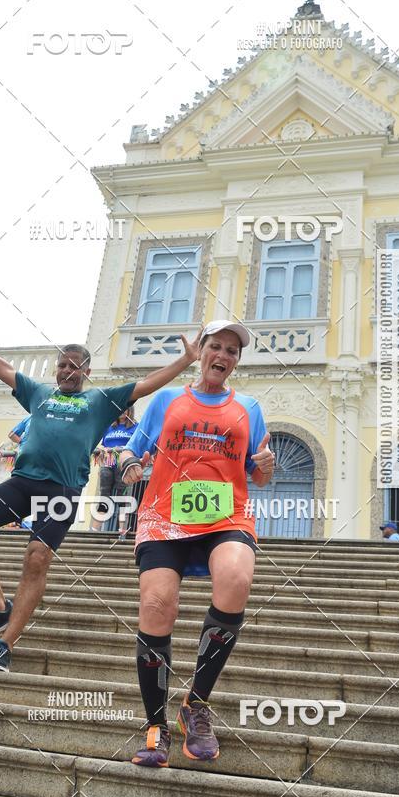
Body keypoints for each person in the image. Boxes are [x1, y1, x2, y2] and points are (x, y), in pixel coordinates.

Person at [0, 314, 201, 672]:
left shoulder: (100, 402)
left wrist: (185, 360)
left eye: (74, 367)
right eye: (62, 366)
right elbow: (4, 368)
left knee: (37, 557)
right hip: (23, 480)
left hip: (62, 489)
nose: (66, 372)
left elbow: (146, 384)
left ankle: (5, 644)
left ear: (86, 371)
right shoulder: (39, 393)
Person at [120, 320, 275, 768]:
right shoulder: (168, 399)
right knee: (157, 605)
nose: (223, 356)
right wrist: (131, 464)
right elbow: (134, 449)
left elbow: (260, 475)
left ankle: (196, 705)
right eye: (216, 346)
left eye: (232, 350)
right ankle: (155, 725)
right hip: (165, 516)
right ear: (201, 349)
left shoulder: (249, 408)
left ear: (236, 361)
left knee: (236, 577)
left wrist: (265, 464)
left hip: (226, 516)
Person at [92, 407, 138, 533]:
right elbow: (103, 445)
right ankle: (94, 530)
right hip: (109, 462)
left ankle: (121, 529)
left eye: (125, 409)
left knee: (123, 497)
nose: (122, 411)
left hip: (122, 463)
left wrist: (121, 448)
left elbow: (137, 444)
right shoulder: (109, 427)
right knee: (104, 495)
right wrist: (103, 451)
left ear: (130, 411)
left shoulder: (135, 427)